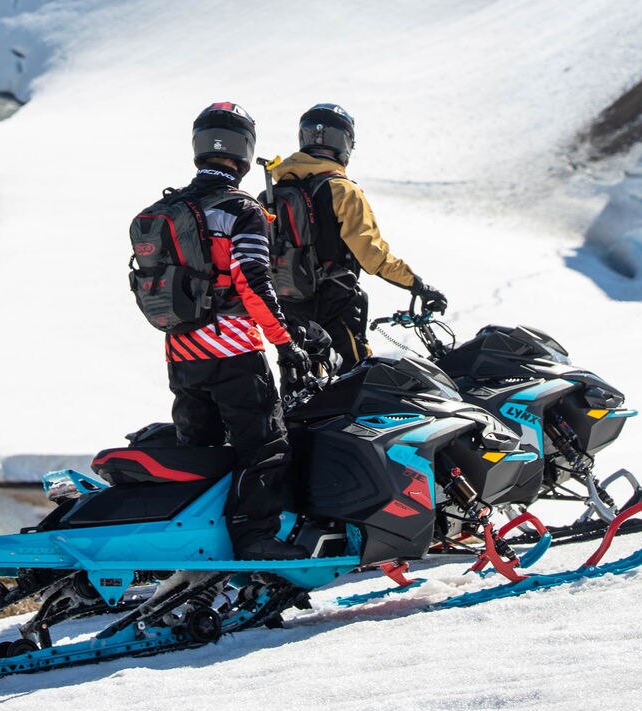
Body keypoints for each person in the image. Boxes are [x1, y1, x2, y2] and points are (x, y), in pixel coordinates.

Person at [160, 102, 311, 561]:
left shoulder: (170, 208)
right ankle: (254, 540)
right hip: (232, 351)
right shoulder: (241, 211)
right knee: (264, 445)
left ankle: (192, 543)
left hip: (180, 351)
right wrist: (285, 345)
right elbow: (252, 282)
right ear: (245, 151)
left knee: (198, 453)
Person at [266, 103, 446, 380]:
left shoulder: (273, 192)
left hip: (291, 303)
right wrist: (417, 285)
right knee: (357, 380)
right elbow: (372, 254)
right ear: (345, 143)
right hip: (335, 302)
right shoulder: (341, 189)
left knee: (303, 383)